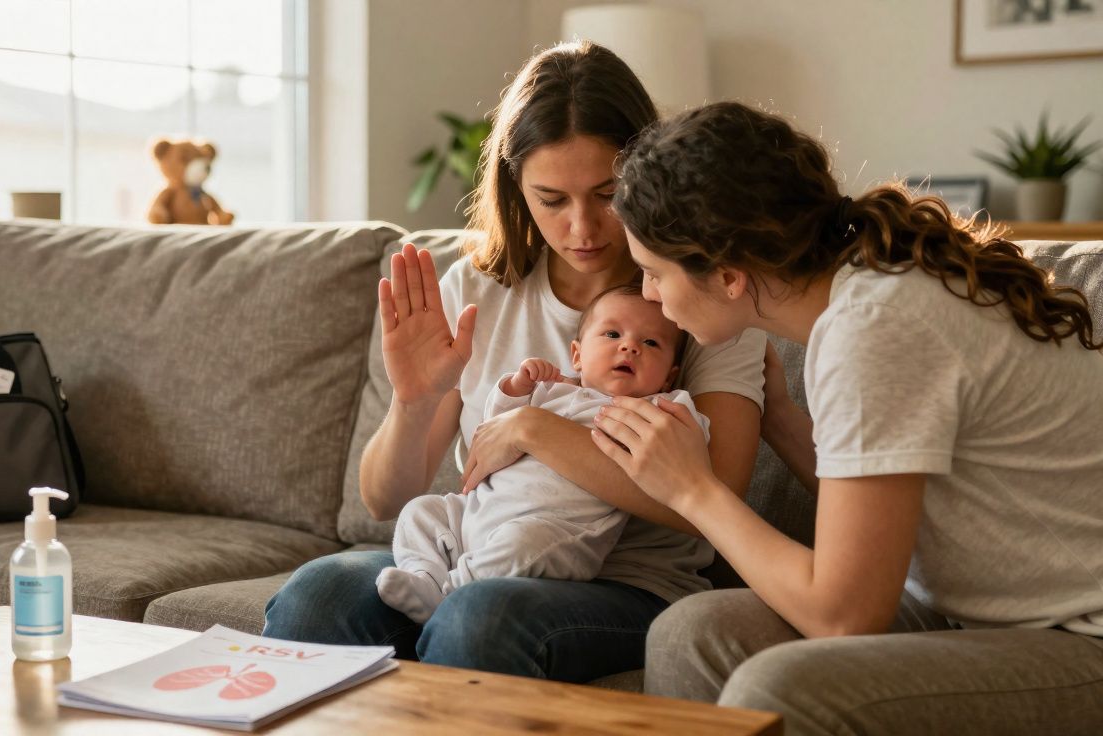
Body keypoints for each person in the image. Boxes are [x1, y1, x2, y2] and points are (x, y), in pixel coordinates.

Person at [261, 41, 767, 683]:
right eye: (552, 199)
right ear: (514, 185)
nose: (583, 227)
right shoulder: (475, 290)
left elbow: (715, 501)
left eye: (608, 193)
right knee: (319, 595)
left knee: (479, 617)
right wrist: (414, 403)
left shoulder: (699, 294)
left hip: (631, 586)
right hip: (474, 554)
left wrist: (535, 429)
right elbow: (385, 499)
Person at [594, 101, 1103, 733]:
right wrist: (781, 420)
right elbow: (883, 509)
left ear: (728, 274)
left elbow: (844, 614)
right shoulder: (871, 286)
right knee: (691, 634)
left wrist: (693, 490)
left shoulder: (874, 326)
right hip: (985, 613)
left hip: (1080, 634)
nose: (648, 296)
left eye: (652, 272)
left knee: (781, 687)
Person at [376, 286, 710, 624]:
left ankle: (447, 595)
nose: (629, 347)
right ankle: (424, 577)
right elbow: (493, 431)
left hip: (554, 531)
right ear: (577, 355)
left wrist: (683, 413)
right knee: (421, 511)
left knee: (524, 544)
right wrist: (516, 387)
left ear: (669, 378)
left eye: (651, 343)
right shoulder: (552, 392)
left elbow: (690, 454)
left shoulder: (653, 411)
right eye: (612, 334)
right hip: (475, 514)